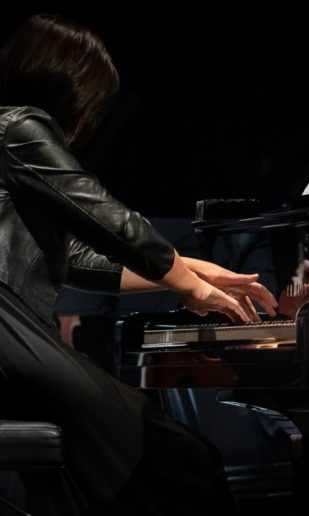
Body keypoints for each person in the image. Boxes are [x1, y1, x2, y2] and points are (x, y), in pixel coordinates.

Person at [0, 14, 279, 515]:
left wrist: (194, 271)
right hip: (9, 337)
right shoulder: (17, 125)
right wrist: (188, 287)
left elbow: (81, 258)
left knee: (167, 459)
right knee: (179, 459)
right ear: (72, 89)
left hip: (15, 338)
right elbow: (103, 215)